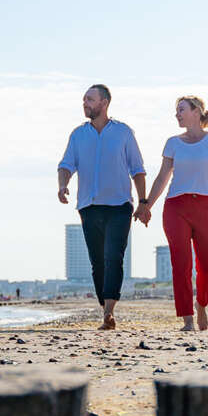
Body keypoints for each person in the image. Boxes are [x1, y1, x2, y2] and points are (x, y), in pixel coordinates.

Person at [135, 95, 208, 331]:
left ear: (196, 111)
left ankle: (201, 304)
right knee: (181, 264)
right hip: (176, 207)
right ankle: (187, 318)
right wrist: (147, 205)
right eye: (176, 111)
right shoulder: (172, 143)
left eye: (181, 109)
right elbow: (162, 178)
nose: (177, 114)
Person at [58, 84, 147, 330]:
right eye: (84, 99)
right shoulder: (78, 135)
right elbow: (66, 165)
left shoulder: (124, 133)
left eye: (90, 99)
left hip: (119, 206)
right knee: (97, 262)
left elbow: (137, 169)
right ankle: (104, 308)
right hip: (89, 207)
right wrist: (63, 185)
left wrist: (143, 202)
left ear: (104, 102)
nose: (85, 103)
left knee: (113, 257)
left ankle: (109, 312)